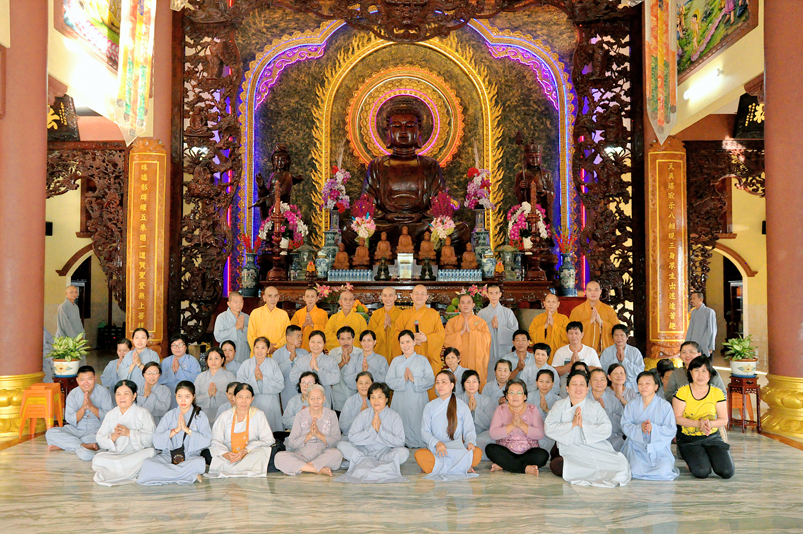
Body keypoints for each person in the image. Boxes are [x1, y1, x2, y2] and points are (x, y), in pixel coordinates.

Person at [544, 370, 631, 487]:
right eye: (574, 384)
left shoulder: (595, 406)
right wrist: (572, 424)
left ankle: (585, 471)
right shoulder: (559, 405)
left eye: (582, 384)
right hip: (571, 448)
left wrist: (583, 425)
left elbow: (606, 428)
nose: (578, 388)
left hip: (594, 446)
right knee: (557, 466)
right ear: (567, 388)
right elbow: (548, 427)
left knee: (621, 465)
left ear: (587, 388)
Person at [137, 381, 213, 486]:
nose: (183, 400)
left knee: (199, 463)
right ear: (175, 396)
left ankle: (167, 475)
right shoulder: (169, 416)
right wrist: (175, 430)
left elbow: (207, 440)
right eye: (179, 396)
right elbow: (156, 440)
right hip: (168, 455)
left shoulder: (200, 416)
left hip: (190, 456)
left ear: (193, 396)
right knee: (148, 464)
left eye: (187, 396)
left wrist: (187, 430)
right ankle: (189, 476)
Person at [672, 356, 734, 479]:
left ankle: (708, 458)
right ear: (690, 372)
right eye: (696, 370)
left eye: (704, 371)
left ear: (710, 374)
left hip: (712, 437)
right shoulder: (682, 392)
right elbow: (677, 418)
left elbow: (724, 419)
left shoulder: (717, 393)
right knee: (702, 472)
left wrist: (709, 424)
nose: (700, 375)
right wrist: (698, 424)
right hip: (689, 439)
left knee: (727, 472)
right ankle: (699, 460)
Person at [336, 382, 409, 484]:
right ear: (369, 399)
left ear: (386, 399)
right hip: (364, 452)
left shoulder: (394, 416)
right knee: (341, 445)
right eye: (373, 397)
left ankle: (365, 464)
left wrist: (380, 430)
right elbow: (352, 437)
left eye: (379, 397)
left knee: (404, 453)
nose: (376, 401)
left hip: (385, 453)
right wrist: (371, 430)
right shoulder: (363, 415)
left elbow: (400, 441)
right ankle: (372, 463)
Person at [415, 370, 480, 480]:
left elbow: (469, 430)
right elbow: (424, 432)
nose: (439, 385)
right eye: (437, 382)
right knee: (419, 454)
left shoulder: (462, 406)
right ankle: (462, 466)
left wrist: (470, 442)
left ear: (452, 385)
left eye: (443, 382)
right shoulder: (429, 406)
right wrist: (437, 443)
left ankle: (439, 466)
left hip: (457, 448)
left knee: (477, 452)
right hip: (437, 449)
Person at [92, 380, 157, 486]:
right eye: (118, 394)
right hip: (117, 454)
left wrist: (130, 433)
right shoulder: (111, 414)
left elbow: (151, 438)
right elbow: (100, 438)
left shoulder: (143, 413)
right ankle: (128, 470)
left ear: (134, 396)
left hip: (135, 454)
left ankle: (117, 471)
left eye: (126, 394)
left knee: (151, 452)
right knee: (97, 460)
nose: (122, 397)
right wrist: (112, 437)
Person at [208, 383, 276, 478]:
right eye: (240, 397)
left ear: (252, 398)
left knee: (262, 452)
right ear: (234, 398)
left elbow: (268, 439)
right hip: (229, 456)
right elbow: (215, 440)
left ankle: (235, 470)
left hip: (250, 455)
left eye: (247, 397)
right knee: (210, 454)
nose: (244, 401)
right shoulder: (225, 416)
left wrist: (246, 450)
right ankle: (239, 468)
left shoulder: (258, 415)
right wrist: (226, 454)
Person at [621, 371, 679, 481]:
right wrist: (640, 428)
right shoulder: (631, 405)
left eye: (648, 383)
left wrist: (654, 429)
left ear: (656, 386)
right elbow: (625, 425)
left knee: (663, 471)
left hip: (659, 448)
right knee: (635, 469)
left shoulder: (665, 406)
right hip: (636, 446)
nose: (643, 386)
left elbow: (671, 429)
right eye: (640, 383)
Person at [46, 365, 112, 461]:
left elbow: (109, 417)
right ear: (77, 380)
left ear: (95, 378)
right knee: (50, 433)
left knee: (105, 438)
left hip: (95, 431)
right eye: (82, 380)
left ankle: (67, 445)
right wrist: (83, 408)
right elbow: (70, 419)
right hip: (76, 430)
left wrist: (91, 407)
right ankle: (86, 446)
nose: (86, 383)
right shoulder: (73, 394)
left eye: (89, 379)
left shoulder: (103, 392)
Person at [275, 384, 343, 476]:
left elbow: (336, 441)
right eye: (312, 399)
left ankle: (304, 467)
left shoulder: (331, 414)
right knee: (279, 457)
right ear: (307, 399)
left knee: (337, 454)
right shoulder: (300, 415)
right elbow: (292, 443)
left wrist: (318, 434)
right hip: (302, 454)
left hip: (323, 454)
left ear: (324, 399)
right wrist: (309, 435)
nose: (315, 402)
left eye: (319, 398)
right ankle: (317, 469)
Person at [391, 285, 445, 399]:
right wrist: (409, 338)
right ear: (411, 296)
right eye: (416, 293)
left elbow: (441, 334)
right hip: (408, 358)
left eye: (422, 294)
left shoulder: (433, 314)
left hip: (428, 357)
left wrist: (427, 338)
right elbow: (396, 333)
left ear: (427, 297)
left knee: (428, 390)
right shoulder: (404, 314)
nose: (419, 296)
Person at [487, 379, 549, 475]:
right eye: (511, 393)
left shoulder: (532, 409)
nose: (515, 396)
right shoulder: (501, 409)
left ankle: (506, 465)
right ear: (506, 396)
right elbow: (493, 434)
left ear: (525, 396)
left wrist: (521, 425)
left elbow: (540, 434)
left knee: (543, 455)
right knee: (490, 449)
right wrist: (512, 425)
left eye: (519, 393)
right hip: (506, 451)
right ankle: (525, 469)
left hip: (528, 452)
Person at [386, 330, 436, 448]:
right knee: (400, 421)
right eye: (402, 342)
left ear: (414, 342)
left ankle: (419, 443)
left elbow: (430, 380)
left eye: (408, 341)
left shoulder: (422, 360)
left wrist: (414, 380)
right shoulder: (396, 361)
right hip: (400, 399)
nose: (405, 345)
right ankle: (400, 442)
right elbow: (389, 381)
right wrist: (403, 380)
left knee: (417, 421)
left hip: (417, 399)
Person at [236, 336, 284, 433]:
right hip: (252, 402)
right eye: (257, 347)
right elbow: (240, 385)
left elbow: (280, 385)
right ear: (253, 348)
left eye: (263, 348)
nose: (259, 351)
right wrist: (254, 379)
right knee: (252, 431)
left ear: (268, 350)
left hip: (270, 402)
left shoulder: (273, 364)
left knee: (270, 431)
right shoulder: (246, 364)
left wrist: (263, 378)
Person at [444, 294, 492, 387]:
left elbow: (487, 339)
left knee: (475, 384)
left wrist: (472, 332)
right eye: (463, 303)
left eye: (468, 302)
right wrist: (460, 332)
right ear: (459, 306)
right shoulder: (452, 322)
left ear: (473, 305)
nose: (466, 305)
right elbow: (446, 340)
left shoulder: (481, 322)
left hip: (475, 360)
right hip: (459, 361)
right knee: (458, 386)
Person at [289, 331, 341, 408]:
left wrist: (317, 369)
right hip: (305, 400)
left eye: (319, 342)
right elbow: (292, 378)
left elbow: (336, 378)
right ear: (308, 343)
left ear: (324, 344)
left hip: (324, 399)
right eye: (313, 342)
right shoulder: (302, 360)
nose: (315, 345)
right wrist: (309, 369)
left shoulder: (330, 360)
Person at [478, 284, 519, 380]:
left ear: (500, 294)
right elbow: (477, 334)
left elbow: (515, 334)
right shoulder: (481, 313)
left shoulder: (508, 313)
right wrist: (489, 326)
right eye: (491, 293)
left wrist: (499, 327)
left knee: (503, 377)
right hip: (486, 353)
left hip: (504, 352)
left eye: (496, 293)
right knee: (488, 378)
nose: (494, 296)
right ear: (487, 295)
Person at [568, 281, 620, 353]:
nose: (593, 293)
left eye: (596, 290)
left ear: (600, 291)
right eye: (590, 290)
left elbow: (617, 330)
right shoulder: (577, 310)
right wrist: (589, 321)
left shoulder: (609, 310)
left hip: (604, 352)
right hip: (582, 352)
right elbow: (571, 331)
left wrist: (602, 322)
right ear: (586, 292)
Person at [457, 370, 495, 458]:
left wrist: (476, 410)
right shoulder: (457, 400)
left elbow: (490, 424)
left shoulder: (486, 400)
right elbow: (453, 423)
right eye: (468, 382)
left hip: (481, 435)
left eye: (474, 382)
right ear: (463, 384)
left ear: (478, 384)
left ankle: (467, 450)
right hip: (462, 436)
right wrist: (468, 411)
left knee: (491, 435)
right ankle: (470, 451)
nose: (471, 385)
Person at [194, 347, 236, 426]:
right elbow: (193, 398)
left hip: (225, 414)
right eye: (210, 359)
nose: (213, 361)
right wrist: (207, 395)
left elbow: (235, 397)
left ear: (222, 360)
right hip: (203, 415)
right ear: (207, 361)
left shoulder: (229, 376)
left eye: (216, 358)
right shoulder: (200, 377)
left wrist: (217, 394)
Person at [272, 325, 309, 411]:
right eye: (297, 336)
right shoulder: (277, 354)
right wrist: (290, 360)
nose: (301, 339)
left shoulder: (304, 353)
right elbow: (277, 374)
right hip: (286, 391)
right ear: (288, 338)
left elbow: (307, 373)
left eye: (301, 336)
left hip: (303, 391)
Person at [587, 369, 624, 451]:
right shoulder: (584, 398)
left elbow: (621, 424)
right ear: (589, 382)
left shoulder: (613, 400)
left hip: (610, 438)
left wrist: (604, 413)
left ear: (606, 381)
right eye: (595, 379)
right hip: (588, 437)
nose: (599, 382)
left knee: (619, 442)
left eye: (602, 379)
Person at [343, 330, 389, 397]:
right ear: (360, 342)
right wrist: (361, 373)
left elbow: (385, 380)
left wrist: (369, 370)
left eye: (369, 340)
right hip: (358, 396)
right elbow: (347, 378)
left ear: (374, 342)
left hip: (376, 397)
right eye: (364, 340)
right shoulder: (354, 359)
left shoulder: (381, 360)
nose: (366, 343)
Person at [160, 334, 202, 406]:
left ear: (186, 346)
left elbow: (197, 379)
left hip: (186, 396)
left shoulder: (192, 360)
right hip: (169, 396)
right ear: (170, 347)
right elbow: (159, 379)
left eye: (180, 345)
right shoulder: (166, 361)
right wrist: (171, 372)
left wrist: (179, 371)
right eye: (174, 345)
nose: (177, 348)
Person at [329, 325, 364, 411]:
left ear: (353, 339)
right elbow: (330, 374)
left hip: (357, 396)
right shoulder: (333, 353)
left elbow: (363, 373)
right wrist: (342, 363)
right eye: (342, 339)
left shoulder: (360, 353)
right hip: (338, 397)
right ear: (338, 340)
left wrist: (350, 363)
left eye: (348, 339)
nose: (346, 342)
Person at [598, 325, 644, 391]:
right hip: (611, 388)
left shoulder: (634, 351)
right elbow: (602, 370)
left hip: (632, 388)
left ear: (627, 337)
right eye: (616, 335)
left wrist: (624, 361)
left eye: (622, 335)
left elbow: (640, 371)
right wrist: (615, 360)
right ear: (612, 337)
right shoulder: (607, 351)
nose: (619, 338)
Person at [247, 286, 289, 351]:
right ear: (264, 298)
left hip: (278, 352)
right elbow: (251, 336)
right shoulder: (255, 313)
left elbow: (287, 335)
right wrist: (264, 348)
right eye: (270, 296)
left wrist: (276, 347)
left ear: (278, 298)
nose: (273, 299)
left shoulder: (283, 314)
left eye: (275, 296)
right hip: (260, 352)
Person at [528, 294, 569, 359]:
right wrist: (545, 326)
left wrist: (554, 325)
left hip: (559, 353)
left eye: (553, 302)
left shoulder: (564, 319)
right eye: (548, 302)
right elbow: (532, 333)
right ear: (544, 303)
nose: (551, 304)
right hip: (542, 355)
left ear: (558, 304)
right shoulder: (538, 318)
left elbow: (568, 336)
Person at [118, 328, 160, 392]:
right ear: (133, 340)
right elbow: (121, 373)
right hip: (131, 391)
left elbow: (155, 374)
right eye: (137, 338)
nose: (139, 341)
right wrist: (133, 364)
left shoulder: (153, 355)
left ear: (147, 340)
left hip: (148, 390)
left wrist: (139, 364)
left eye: (143, 338)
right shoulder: (128, 355)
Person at [213, 291, 251, 363]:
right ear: (229, 304)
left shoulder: (246, 317)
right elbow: (218, 336)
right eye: (235, 302)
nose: (238, 305)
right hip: (228, 353)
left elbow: (252, 335)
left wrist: (243, 328)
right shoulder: (222, 317)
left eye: (241, 302)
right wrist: (235, 328)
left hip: (244, 352)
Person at [368, 287, 402, 365]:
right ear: (382, 297)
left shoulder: (401, 314)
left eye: (390, 295)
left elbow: (404, 334)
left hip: (396, 351)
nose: (387, 298)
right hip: (379, 351)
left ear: (395, 297)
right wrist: (383, 326)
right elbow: (370, 335)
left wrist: (391, 325)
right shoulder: (376, 314)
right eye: (385, 295)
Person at [530, 369, 559, 454]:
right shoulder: (527, 397)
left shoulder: (558, 400)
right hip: (529, 432)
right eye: (541, 381)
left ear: (552, 384)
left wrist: (546, 410)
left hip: (547, 435)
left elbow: (558, 422)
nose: (544, 385)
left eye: (548, 382)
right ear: (536, 383)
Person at [339, 371, 374, 439]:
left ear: (372, 384)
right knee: (341, 444)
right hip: (352, 437)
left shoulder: (377, 401)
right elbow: (343, 427)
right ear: (356, 385)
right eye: (360, 383)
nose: (364, 386)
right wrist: (360, 415)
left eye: (367, 383)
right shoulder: (350, 401)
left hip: (371, 437)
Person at [685, 291, 717, 358]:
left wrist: (711, 346)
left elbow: (712, 330)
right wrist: (687, 343)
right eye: (691, 298)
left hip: (705, 344)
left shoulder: (709, 312)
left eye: (694, 298)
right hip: (694, 345)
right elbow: (690, 329)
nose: (691, 301)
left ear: (701, 299)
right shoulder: (693, 312)